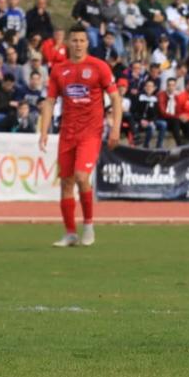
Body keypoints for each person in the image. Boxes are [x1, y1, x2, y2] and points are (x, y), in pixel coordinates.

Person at [38, 24, 122, 248]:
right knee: (66, 182)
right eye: (74, 40)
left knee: (81, 177)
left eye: (81, 40)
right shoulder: (59, 69)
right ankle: (70, 233)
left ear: (87, 42)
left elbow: (115, 98)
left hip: (90, 133)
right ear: (68, 43)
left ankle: (88, 224)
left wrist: (115, 128)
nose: (78, 44)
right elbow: (49, 102)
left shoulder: (99, 67)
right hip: (67, 132)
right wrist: (44, 130)